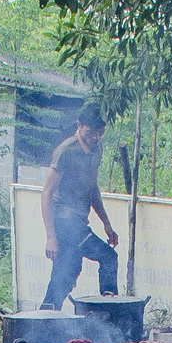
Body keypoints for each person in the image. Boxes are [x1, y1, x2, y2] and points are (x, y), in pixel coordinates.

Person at [41, 105, 120, 308]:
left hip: (79, 223)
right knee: (108, 257)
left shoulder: (97, 149)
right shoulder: (65, 151)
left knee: (64, 276)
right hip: (64, 222)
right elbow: (47, 193)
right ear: (79, 125)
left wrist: (107, 225)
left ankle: (41, 322)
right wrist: (51, 237)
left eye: (100, 133)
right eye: (91, 132)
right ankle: (110, 314)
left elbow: (92, 189)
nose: (96, 137)